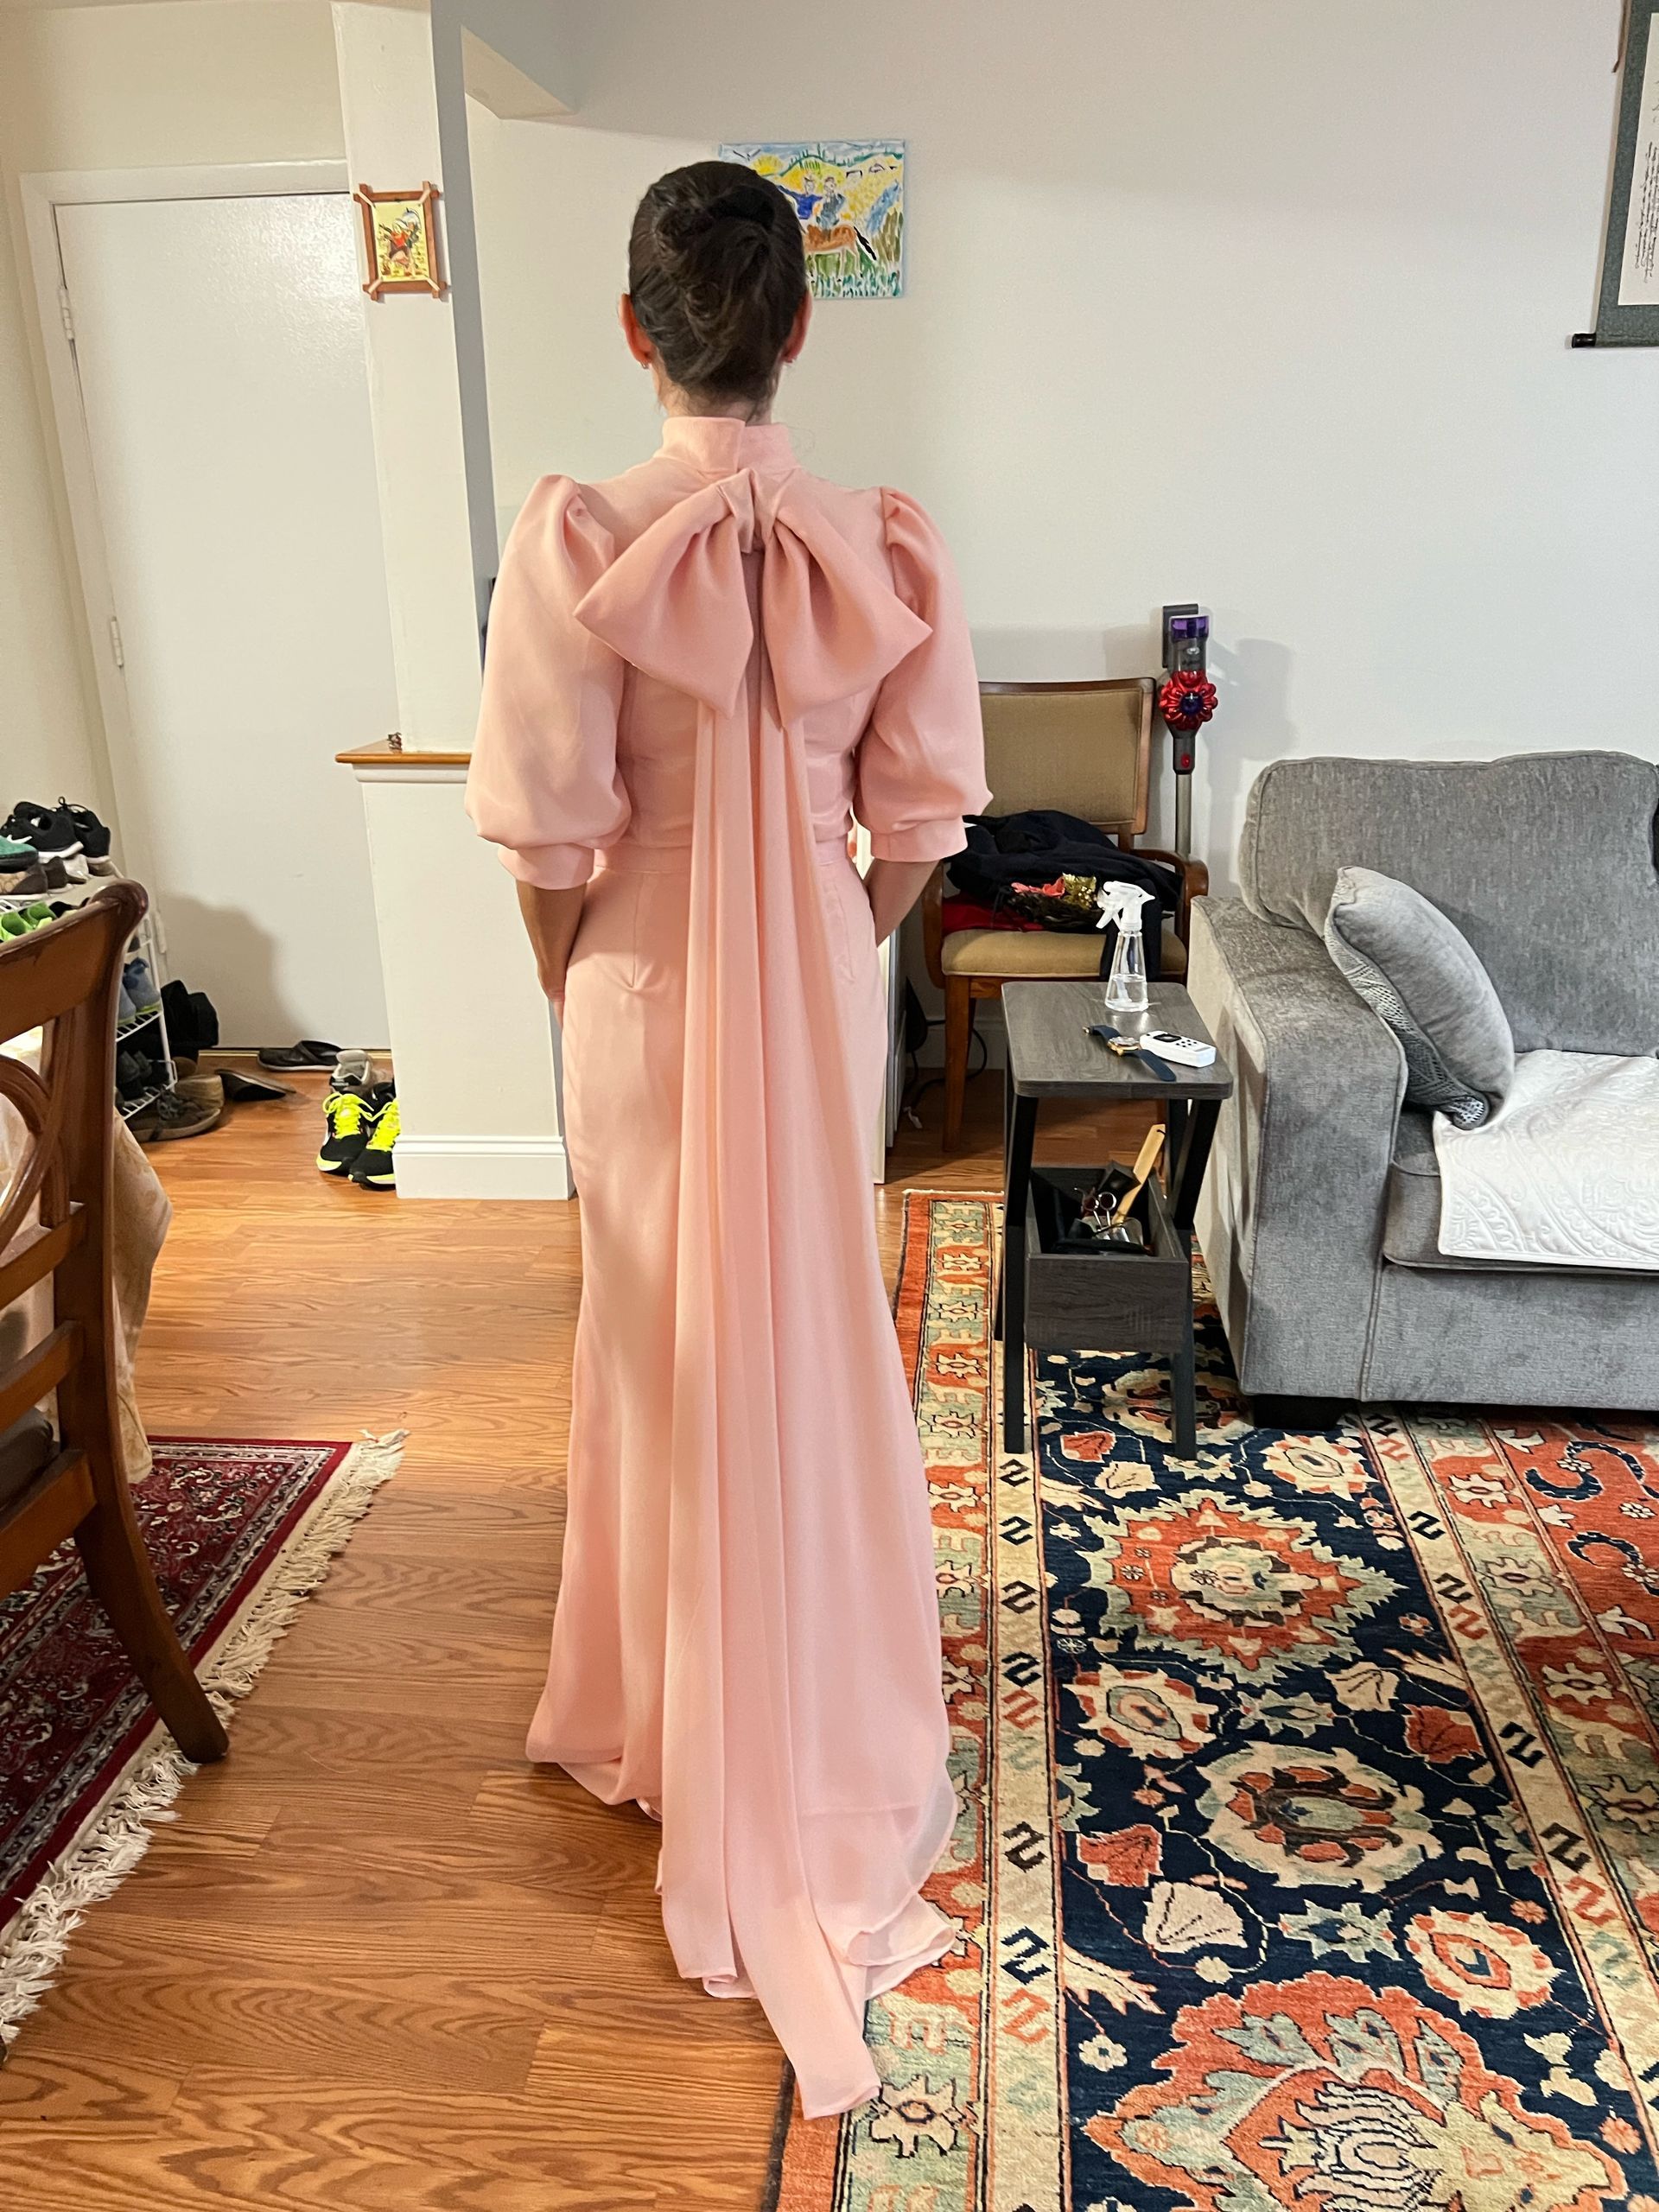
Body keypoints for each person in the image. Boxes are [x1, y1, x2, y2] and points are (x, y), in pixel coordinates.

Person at [466, 160, 989, 2118]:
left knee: (656, 1340)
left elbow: (545, 838)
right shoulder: (892, 540)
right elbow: (920, 836)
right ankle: (823, 1713)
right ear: (796, 329)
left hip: (642, 990)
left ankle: (662, 1712)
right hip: (802, 993)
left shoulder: (578, 531)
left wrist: (590, 974)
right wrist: (818, 951)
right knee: (808, 1343)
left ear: (635, 331)